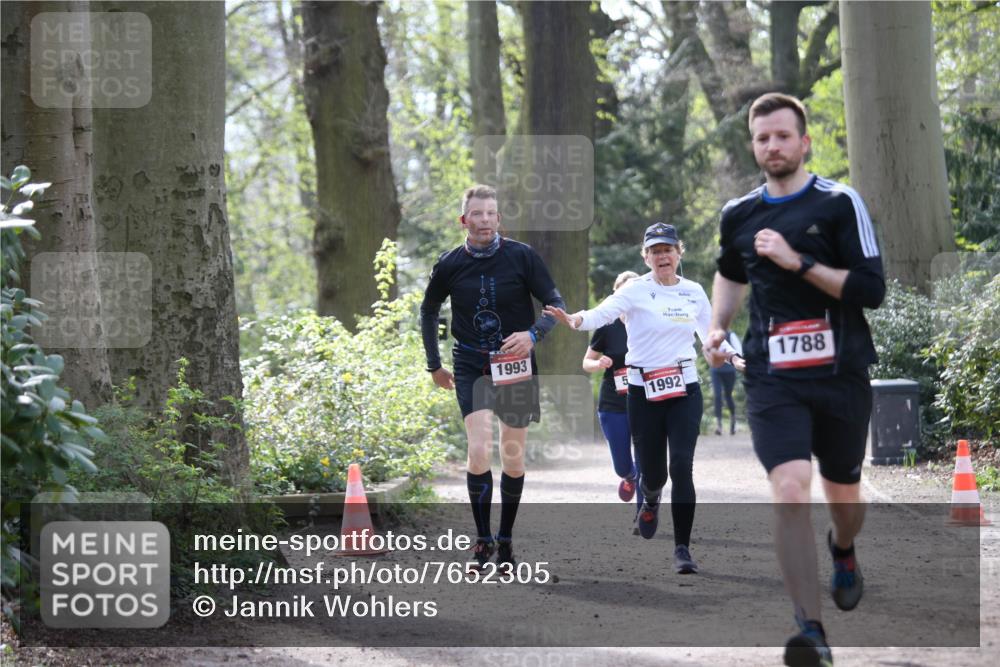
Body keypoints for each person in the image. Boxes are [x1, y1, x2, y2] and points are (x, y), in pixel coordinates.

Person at [704, 92, 885, 667]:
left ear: (804, 142)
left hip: (840, 373)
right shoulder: (739, 214)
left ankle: (845, 547)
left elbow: (870, 290)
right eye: (763, 138)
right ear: (753, 146)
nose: (773, 146)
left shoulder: (839, 203)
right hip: (772, 376)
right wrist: (717, 327)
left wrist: (796, 261)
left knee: (843, 493)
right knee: (788, 489)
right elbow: (729, 274)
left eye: (783, 136)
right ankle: (811, 630)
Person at [545, 223, 738, 575]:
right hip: (642, 390)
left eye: (668, 249)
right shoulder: (634, 290)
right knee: (653, 472)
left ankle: (682, 548)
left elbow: (712, 335)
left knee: (682, 465)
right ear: (645, 256)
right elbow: (600, 314)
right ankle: (650, 496)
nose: (662, 256)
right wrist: (573, 319)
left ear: (679, 252)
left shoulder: (693, 291)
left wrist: (736, 356)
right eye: (655, 251)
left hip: (684, 388)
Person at [420, 184, 565, 571]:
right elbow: (429, 311)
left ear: (499, 218)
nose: (484, 220)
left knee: (512, 457)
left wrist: (532, 335)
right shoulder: (449, 264)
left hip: (514, 363)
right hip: (470, 364)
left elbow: (556, 305)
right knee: (479, 449)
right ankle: (482, 541)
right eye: (477, 214)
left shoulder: (522, 257)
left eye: (491, 214)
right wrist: (434, 364)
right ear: (463, 220)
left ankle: (506, 541)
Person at [581, 271, 642, 512]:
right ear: (615, 295)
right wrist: (599, 363)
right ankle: (629, 477)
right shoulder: (608, 326)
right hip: (613, 404)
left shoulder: (650, 322)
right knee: (623, 465)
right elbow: (586, 362)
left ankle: (644, 513)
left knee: (646, 461)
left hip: (647, 401)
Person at [709, 330, 743, 435]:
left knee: (728, 396)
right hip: (716, 370)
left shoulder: (731, 335)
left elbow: (739, 352)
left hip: (729, 370)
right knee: (717, 396)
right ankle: (718, 425)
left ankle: (733, 423)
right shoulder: (712, 334)